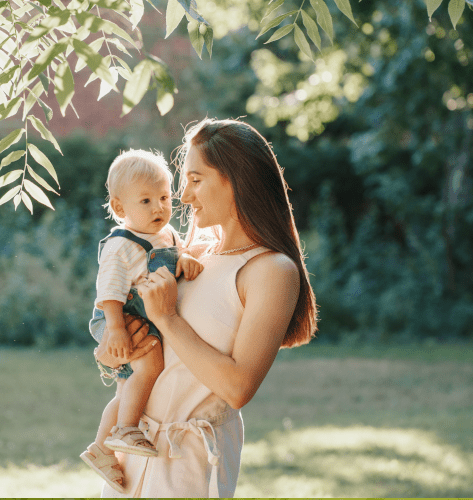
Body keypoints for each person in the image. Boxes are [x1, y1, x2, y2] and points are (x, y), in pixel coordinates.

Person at [93, 118, 318, 497]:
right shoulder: (189, 256)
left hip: (186, 468)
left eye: (196, 180)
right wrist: (112, 352)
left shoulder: (270, 270)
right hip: (130, 458)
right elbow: (152, 354)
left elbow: (237, 387)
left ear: (236, 180)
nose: (182, 196)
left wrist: (167, 317)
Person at [80, 149, 204, 493]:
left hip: (143, 319)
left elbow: (177, 260)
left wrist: (188, 260)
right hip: (120, 319)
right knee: (149, 369)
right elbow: (109, 292)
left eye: (164, 197)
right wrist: (117, 330)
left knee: (127, 390)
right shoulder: (121, 244)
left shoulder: (170, 237)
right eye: (146, 201)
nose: (159, 208)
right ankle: (126, 430)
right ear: (120, 209)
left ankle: (102, 449)